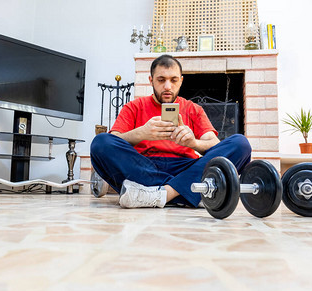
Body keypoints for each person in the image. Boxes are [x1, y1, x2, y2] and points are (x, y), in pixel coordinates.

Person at [90, 54, 251, 209]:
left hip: (186, 167)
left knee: (241, 144)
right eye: (161, 80)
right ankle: (193, 192)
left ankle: (162, 194)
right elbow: (113, 140)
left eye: (173, 80)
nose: (167, 87)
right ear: (151, 80)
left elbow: (214, 145)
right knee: (100, 143)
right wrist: (142, 133)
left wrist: (193, 143)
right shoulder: (134, 107)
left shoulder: (194, 109)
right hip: (144, 167)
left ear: (181, 81)